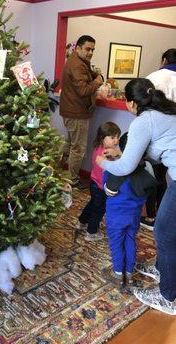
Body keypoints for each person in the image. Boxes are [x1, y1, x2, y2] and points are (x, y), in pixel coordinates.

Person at [96, 78, 176, 315]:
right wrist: (123, 151)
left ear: (131, 103)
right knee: (167, 229)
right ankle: (162, 268)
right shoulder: (166, 109)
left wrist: (102, 162)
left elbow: (125, 168)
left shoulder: (144, 120)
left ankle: (168, 296)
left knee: (163, 233)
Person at [103, 133, 157, 290]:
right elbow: (149, 188)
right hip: (134, 214)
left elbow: (109, 191)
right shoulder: (147, 167)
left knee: (116, 243)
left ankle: (118, 274)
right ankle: (129, 273)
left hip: (116, 215)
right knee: (130, 240)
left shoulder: (116, 167)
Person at [59, 35, 103, 189]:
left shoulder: (77, 61)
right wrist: (97, 82)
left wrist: (95, 76)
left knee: (70, 143)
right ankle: (73, 180)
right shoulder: (77, 65)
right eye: (87, 49)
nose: (90, 52)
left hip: (71, 110)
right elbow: (84, 90)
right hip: (77, 112)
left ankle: (56, 170)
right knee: (78, 147)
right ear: (78, 48)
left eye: (92, 50)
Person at [141, 49, 176, 230]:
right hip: (173, 138)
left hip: (156, 135)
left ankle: (151, 215)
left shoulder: (155, 77)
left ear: (164, 60)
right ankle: (163, 212)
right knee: (165, 176)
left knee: (151, 174)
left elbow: (142, 101)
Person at [76, 121, 121, 241]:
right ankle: (91, 232)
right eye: (112, 137)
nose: (116, 140)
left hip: (93, 182)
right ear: (102, 138)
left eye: (117, 137)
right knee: (99, 209)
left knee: (93, 204)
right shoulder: (106, 154)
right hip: (101, 186)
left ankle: (81, 221)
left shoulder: (99, 147)